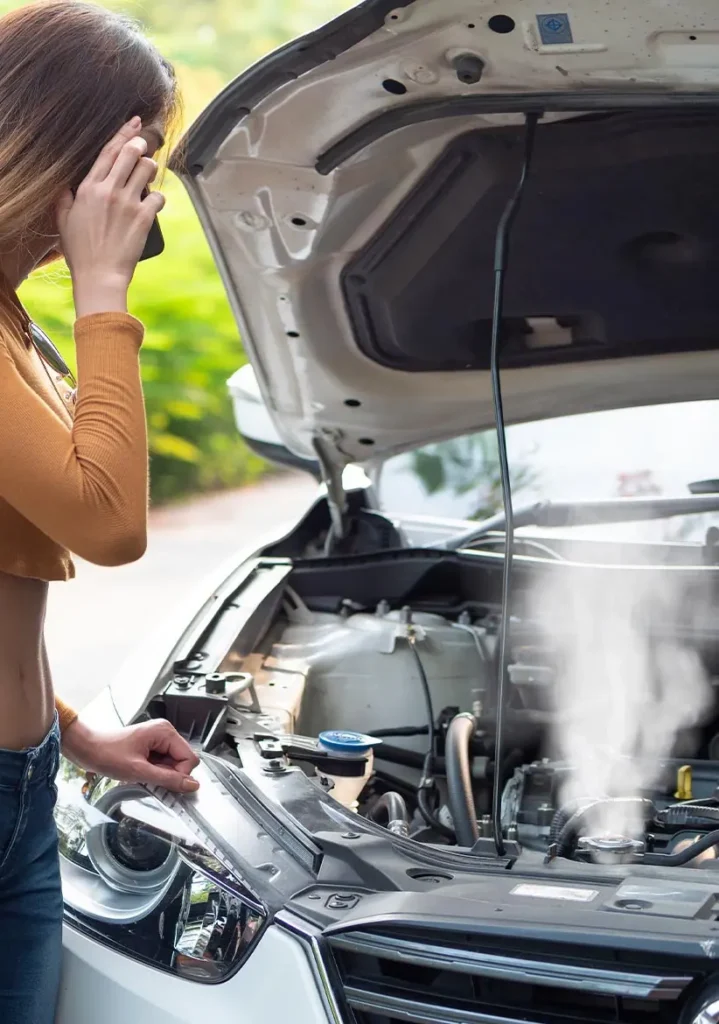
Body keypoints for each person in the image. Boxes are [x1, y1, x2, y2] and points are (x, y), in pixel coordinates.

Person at [0, 2, 202, 1020]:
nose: (144, 200)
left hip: (22, 781)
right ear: (57, 145)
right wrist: (103, 285)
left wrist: (75, 737)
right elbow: (107, 521)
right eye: (132, 163)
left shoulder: (11, 319)